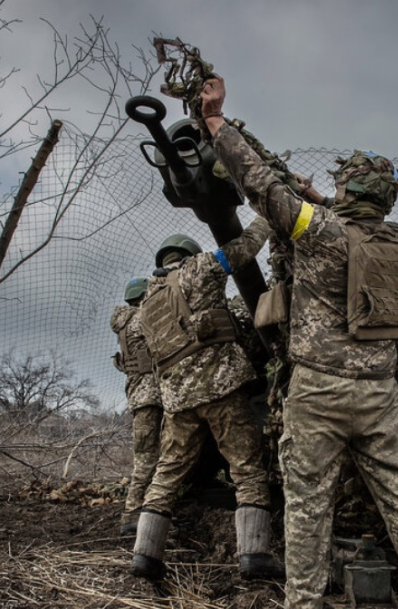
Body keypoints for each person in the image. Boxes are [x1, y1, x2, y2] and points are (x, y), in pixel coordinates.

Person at [200, 76, 398, 609]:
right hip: (379, 394)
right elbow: (347, 219)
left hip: (319, 392)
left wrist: (214, 122)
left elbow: (256, 182)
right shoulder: (395, 238)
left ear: (349, 193)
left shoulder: (317, 231)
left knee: (307, 504)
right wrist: (317, 194)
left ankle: (304, 600)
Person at [131, 223, 284, 581]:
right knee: (247, 469)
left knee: (166, 474)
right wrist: (266, 213)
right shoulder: (198, 267)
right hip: (220, 389)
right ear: (188, 253)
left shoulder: (146, 302)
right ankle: (254, 555)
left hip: (177, 401)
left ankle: (144, 556)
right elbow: (243, 249)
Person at [110, 277, 164, 536]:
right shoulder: (141, 320)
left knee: (148, 455)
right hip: (152, 396)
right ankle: (133, 513)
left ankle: (139, 511)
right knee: (147, 458)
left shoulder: (123, 323)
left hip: (139, 397)